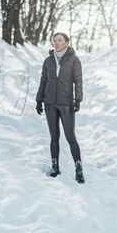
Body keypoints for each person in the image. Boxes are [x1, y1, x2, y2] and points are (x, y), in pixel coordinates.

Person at [35, 32, 85, 184]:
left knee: (70, 137)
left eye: (60, 40)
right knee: (54, 137)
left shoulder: (74, 60)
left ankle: (79, 169)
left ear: (67, 42)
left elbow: (78, 81)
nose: (56, 43)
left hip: (66, 103)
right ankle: (55, 167)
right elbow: (43, 81)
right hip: (50, 103)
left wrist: (78, 99)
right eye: (54, 40)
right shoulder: (48, 61)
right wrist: (39, 100)